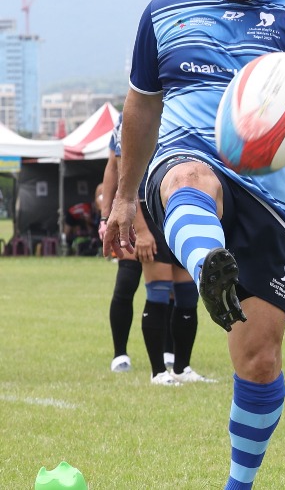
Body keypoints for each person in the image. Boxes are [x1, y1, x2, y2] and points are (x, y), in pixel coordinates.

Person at [104, 0, 285, 489]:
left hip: (271, 194)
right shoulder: (165, 11)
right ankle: (208, 261)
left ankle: (238, 485)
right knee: (191, 176)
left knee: (260, 359)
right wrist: (124, 197)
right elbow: (141, 106)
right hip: (186, 161)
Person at [99, 114, 213, 385]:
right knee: (155, 290)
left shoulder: (182, 110)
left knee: (187, 293)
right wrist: (141, 229)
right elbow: (122, 174)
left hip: (177, 206)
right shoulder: (135, 115)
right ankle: (157, 371)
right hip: (147, 212)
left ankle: (182, 367)